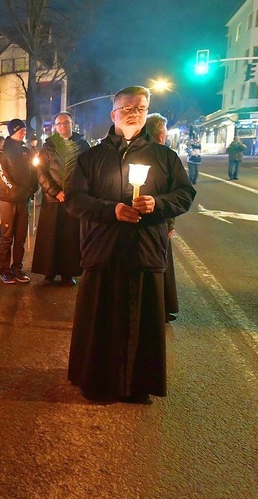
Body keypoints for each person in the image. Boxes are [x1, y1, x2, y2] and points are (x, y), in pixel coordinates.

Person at [65, 86, 195, 404]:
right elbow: (75, 199)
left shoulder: (165, 158)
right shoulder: (92, 158)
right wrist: (112, 210)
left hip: (144, 249)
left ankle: (137, 384)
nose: (133, 113)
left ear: (147, 112)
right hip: (103, 249)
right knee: (102, 318)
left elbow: (185, 194)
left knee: (142, 318)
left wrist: (159, 203)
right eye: (127, 108)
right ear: (114, 114)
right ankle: (97, 381)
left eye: (140, 108)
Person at [32, 112, 90, 285]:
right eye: (59, 124)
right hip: (53, 199)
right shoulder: (49, 145)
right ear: (55, 127)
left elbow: (87, 170)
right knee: (50, 236)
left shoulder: (82, 144)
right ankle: (48, 271)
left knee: (70, 238)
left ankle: (67, 271)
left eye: (66, 122)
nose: (63, 126)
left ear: (72, 123)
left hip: (74, 199)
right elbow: (41, 171)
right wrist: (55, 191)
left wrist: (77, 192)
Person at [145, 113, 179, 323]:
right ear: (159, 133)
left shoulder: (164, 155)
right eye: (164, 131)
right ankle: (158, 308)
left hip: (157, 214)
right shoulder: (162, 156)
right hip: (157, 219)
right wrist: (169, 222)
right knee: (158, 265)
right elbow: (170, 191)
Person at [0, 119, 38, 284]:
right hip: (8, 200)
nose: (23, 132)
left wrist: (32, 188)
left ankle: (17, 268)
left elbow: (33, 170)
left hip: (23, 200)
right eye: (20, 130)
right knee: (7, 237)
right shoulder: (2, 151)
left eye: (24, 130)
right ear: (12, 131)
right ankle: (4, 270)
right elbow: (1, 175)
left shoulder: (26, 151)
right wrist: (16, 190)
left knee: (20, 237)